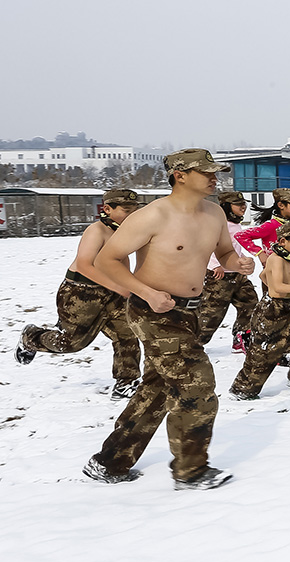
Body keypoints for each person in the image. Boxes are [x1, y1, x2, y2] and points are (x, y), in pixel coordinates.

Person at [82, 148, 254, 490]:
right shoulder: (151, 216)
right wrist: (145, 293)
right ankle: (190, 471)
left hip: (191, 310)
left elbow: (222, 253)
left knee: (158, 388)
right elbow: (107, 260)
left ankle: (110, 461)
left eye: (214, 171)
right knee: (196, 385)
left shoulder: (214, 213)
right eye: (206, 172)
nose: (214, 177)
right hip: (154, 311)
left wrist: (238, 263)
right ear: (180, 175)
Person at [15, 189, 142, 400]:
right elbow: (84, 265)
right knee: (71, 343)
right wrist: (120, 287)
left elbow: (122, 261)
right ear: (107, 209)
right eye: (126, 210)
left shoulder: (126, 230)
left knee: (126, 335)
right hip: (81, 293)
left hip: (112, 293)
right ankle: (31, 337)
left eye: (134, 209)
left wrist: (127, 284)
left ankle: (125, 382)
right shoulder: (97, 230)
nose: (132, 213)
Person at [230, 222, 290, 400]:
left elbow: (263, 275)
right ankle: (243, 389)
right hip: (275, 310)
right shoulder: (277, 258)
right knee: (266, 352)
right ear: (282, 241)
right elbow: (278, 288)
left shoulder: (287, 257)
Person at [197, 191, 259, 352]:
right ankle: (194, 344)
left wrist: (243, 261)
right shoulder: (215, 224)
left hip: (237, 274)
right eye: (238, 205)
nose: (243, 207)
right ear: (226, 206)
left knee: (250, 304)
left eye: (244, 204)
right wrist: (213, 265)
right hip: (219, 276)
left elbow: (234, 249)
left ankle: (242, 337)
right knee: (211, 314)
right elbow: (205, 247)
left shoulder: (236, 225)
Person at [234, 188, 290, 267]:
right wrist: (259, 253)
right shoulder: (271, 225)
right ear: (281, 205)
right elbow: (240, 235)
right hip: (273, 272)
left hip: (289, 272)